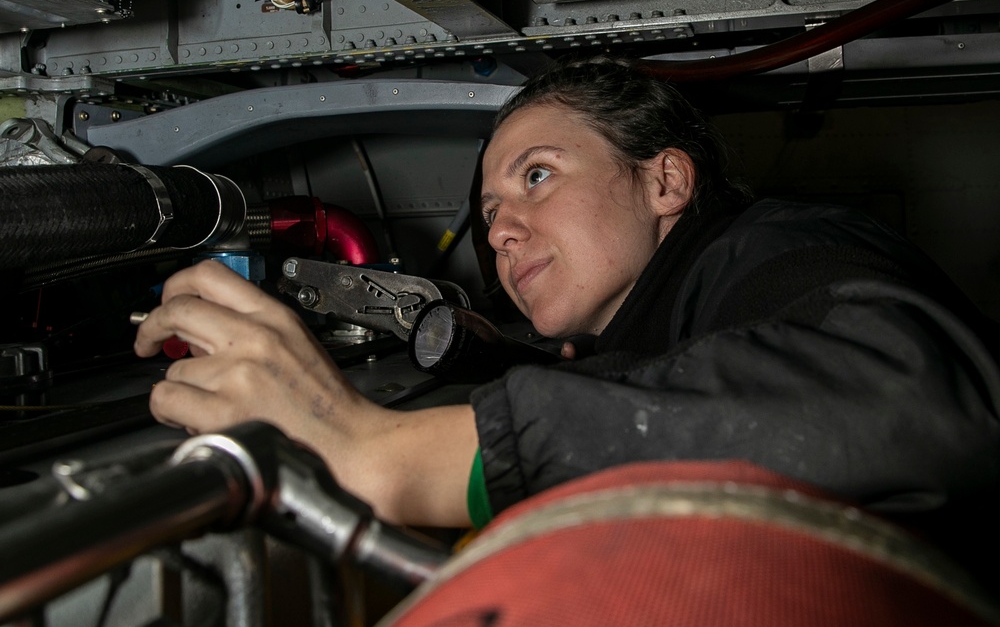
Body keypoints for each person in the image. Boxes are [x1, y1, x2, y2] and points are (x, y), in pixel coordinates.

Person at [135, 57, 1000, 542]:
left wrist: (390, 453)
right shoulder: (645, 322)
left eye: (537, 176)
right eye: (490, 214)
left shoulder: (771, 246)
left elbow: (909, 397)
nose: (504, 229)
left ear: (664, 180)